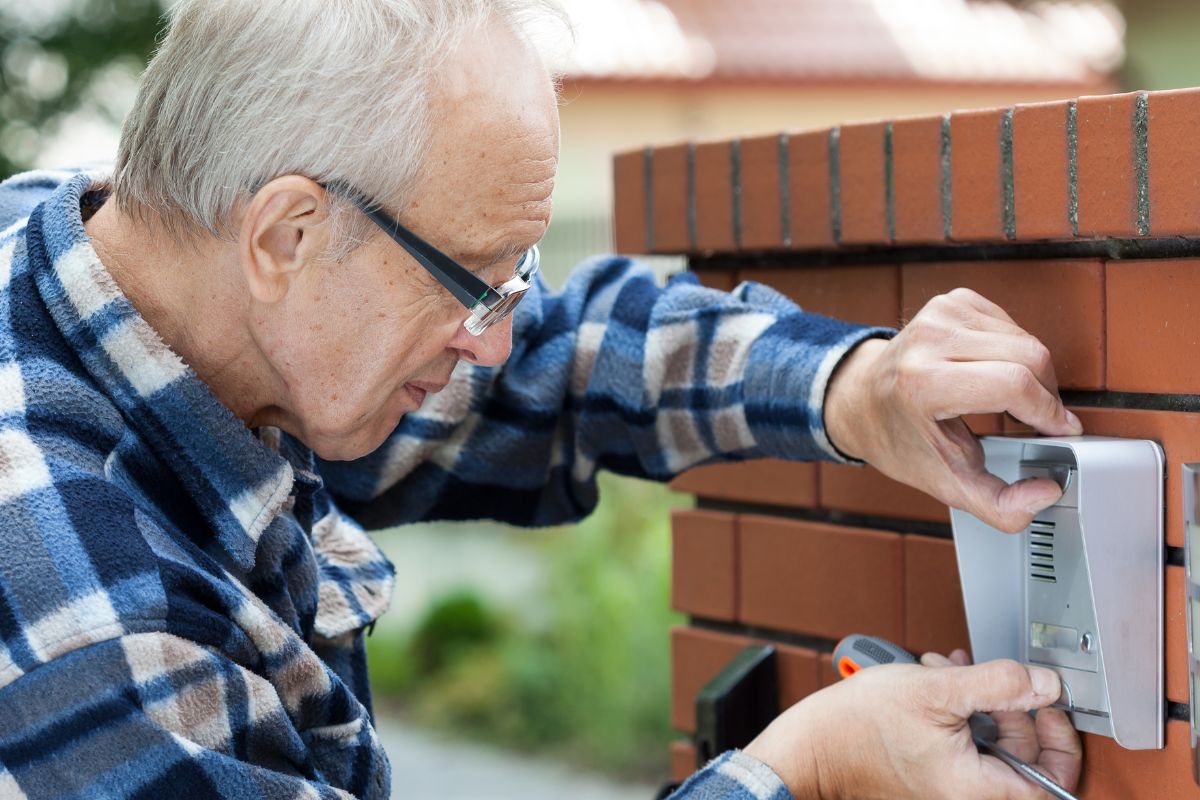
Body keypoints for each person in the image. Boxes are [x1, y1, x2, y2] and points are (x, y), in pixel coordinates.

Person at [0, 1, 1081, 798]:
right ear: (285, 234)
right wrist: (805, 772)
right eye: (475, 281)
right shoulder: (81, 597)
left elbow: (561, 359)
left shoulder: (147, 263)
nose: (498, 335)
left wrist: (855, 387)